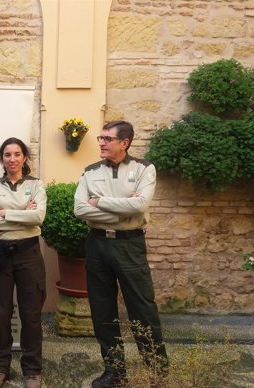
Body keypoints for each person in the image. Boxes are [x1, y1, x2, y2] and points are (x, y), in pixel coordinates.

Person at [74, 121, 169, 388]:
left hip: (130, 245)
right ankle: (114, 371)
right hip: (97, 245)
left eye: (107, 138)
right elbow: (80, 209)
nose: (101, 142)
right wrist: (121, 208)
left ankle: (157, 372)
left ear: (124, 142)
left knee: (143, 308)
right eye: (100, 138)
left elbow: (139, 206)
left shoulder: (143, 168)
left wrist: (100, 201)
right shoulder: (90, 172)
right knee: (102, 310)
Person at [0, 138, 47, 388]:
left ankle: (32, 371)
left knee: (31, 314)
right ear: (2, 159)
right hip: (0, 255)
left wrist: (5, 213)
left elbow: (38, 216)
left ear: (24, 158)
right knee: (0, 314)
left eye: (17, 154)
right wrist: (24, 214)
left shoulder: (36, 184)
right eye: (7, 155)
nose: (12, 159)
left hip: (28, 254)